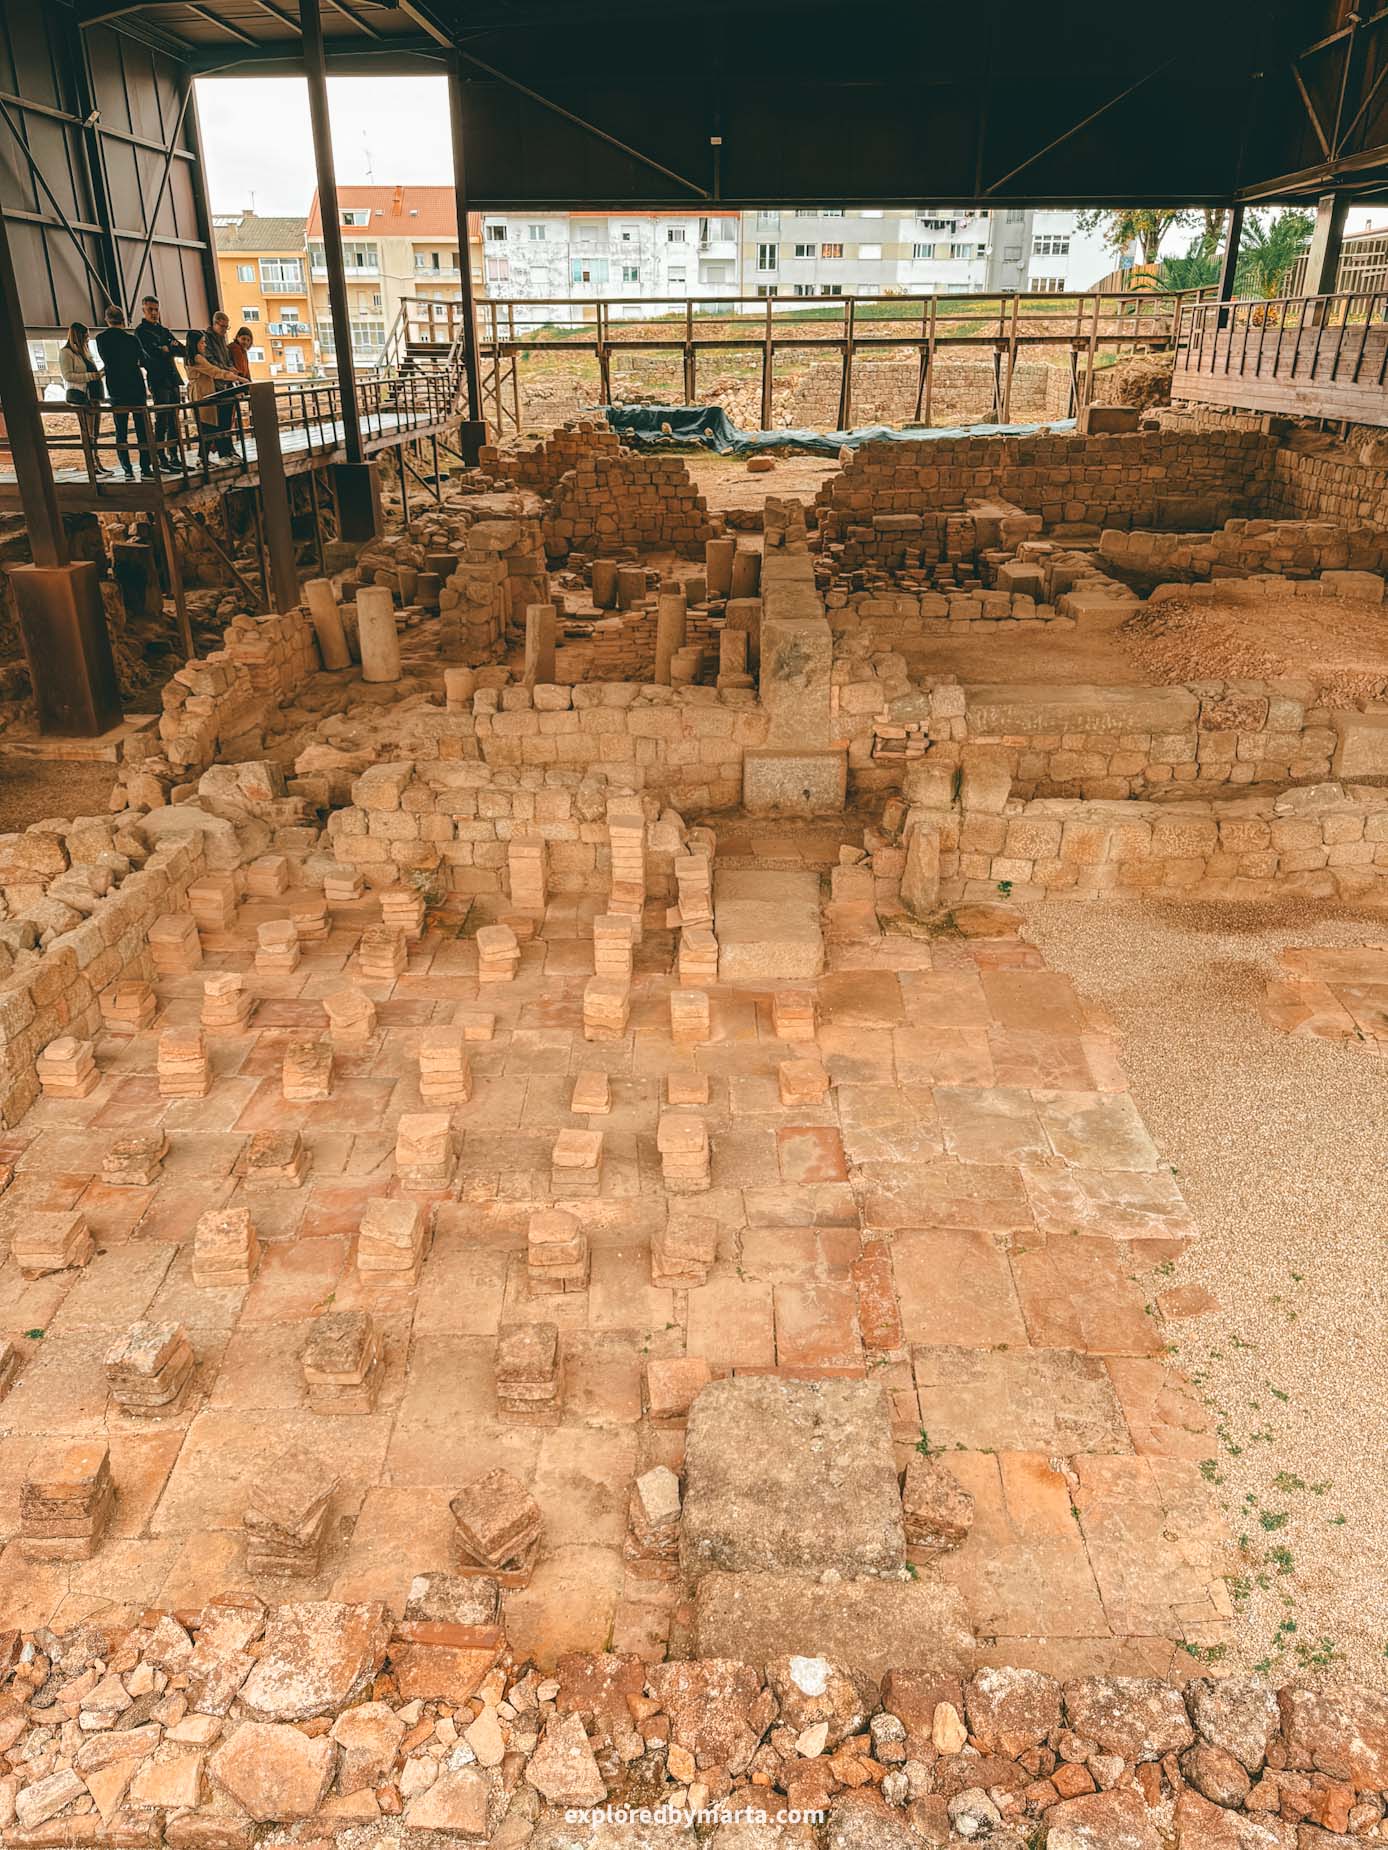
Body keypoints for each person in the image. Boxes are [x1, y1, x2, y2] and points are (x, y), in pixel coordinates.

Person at [94, 305, 153, 480]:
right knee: (142, 429)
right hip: (135, 386)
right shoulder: (132, 340)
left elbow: (107, 359)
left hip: (116, 387)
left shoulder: (101, 339)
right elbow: (143, 359)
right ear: (123, 320)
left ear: (106, 319)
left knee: (121, 431)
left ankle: (127, 470)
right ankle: (145, 469)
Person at [134, 294, 185, 470]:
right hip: (158, 379)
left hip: (172, 378)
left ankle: (174, 456)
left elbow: (182, 350)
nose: (154, 313)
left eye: (156, 309)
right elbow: (152, 352)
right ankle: (161, 458)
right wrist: (169, 347)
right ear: (143, 310)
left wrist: (167, 347)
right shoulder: (141, 331)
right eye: (150, 310)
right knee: (162, 419)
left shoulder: (163, 330)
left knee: (174, 420)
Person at [187, 310, 241, 461]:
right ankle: (218, 454)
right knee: (212, 425)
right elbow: (212, 367)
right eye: (222, 327)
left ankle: (226, 451)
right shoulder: (203, 347)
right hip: (210, 389)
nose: (224, 330)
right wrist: (229, 373)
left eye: (227, 328)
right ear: (215, 323)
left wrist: (229, 368)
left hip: (223, 384)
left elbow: (226, 359)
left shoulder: (222, 340)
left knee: (223, 422)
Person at [57, 323, 105, 476]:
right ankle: (92, 464)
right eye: (85, 336)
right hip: (80, 396)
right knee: (88, 432)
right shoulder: (66, 353)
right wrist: (90, 376)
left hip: (92, 395)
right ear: (79, 336)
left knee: (95, 433)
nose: (87, 339)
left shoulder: (85, 351)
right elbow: (67, 375)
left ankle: (97, 462)